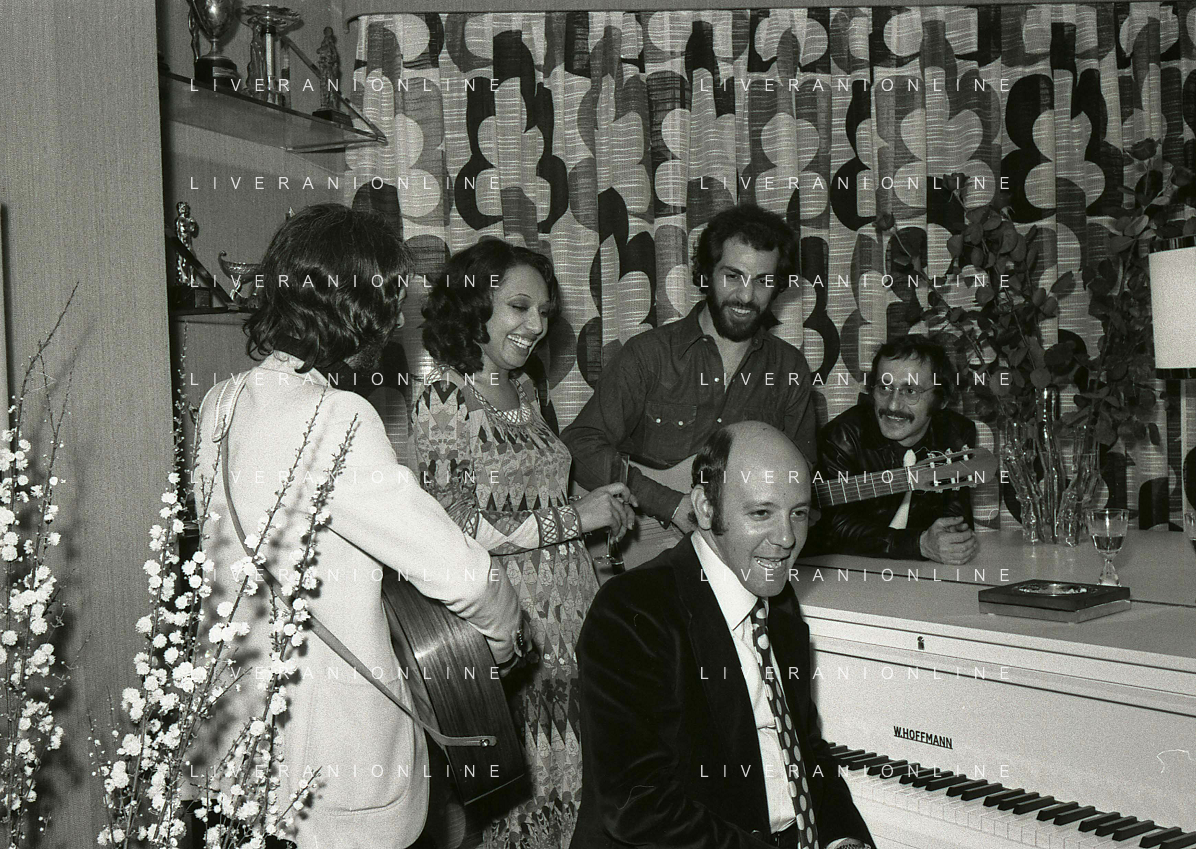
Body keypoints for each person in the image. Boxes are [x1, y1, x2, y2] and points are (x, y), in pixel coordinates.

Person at [193, 204, 524, 849]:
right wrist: (505, 641)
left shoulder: (220, 403)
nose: (396, 320)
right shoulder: (338, 416)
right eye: (389, 301)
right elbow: (464, 574)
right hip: (333, 764)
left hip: (234, 746)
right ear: (356, 308)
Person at [412, 239, 636, 849]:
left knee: (585, 791)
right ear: (473, 306)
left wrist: (595, 512)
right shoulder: (445, 396)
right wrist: (573, 519)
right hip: (512, 631)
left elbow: (535, 494)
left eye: (544, 311)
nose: (536, 325)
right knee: (527, 805)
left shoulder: (527, 390)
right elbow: (453, 527)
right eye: (518, 307)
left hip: (574, 620)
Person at [573, 422, 873, 849]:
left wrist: (846, 840)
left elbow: (804, 748)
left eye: (799, 513)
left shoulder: (779, 601)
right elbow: (637, 805)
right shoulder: (631, 612)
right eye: (761, 513)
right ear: (705, 507)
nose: (787, 538)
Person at [561, 203, 817, 545]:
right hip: (647, 551)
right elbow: (580, 444)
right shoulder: (648, 355)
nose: (746, 295)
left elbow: (799, 475)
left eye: (763, 281)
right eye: (732, 276)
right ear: (706, 274)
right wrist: (671, 504)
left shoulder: (790, 369)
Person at [808, 335, 978, 564]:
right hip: (847, 570)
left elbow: (956, 517)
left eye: (910, 391)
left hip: (922, 572)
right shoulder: (842, 437)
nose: (893, 404)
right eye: (884, 388)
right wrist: (918, 544)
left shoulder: (956, 433)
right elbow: (837, 528)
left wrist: (950, 540)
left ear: (941, 400)